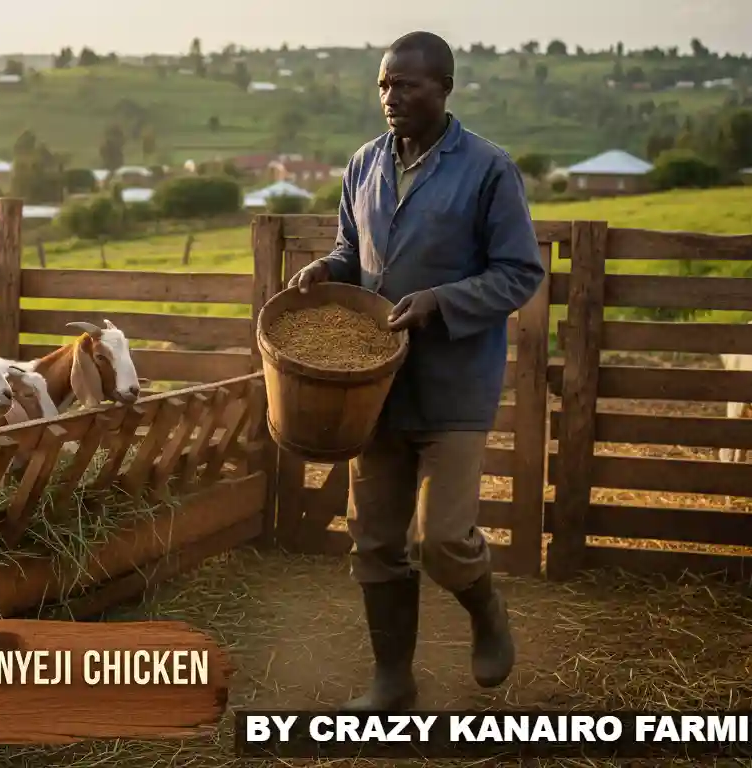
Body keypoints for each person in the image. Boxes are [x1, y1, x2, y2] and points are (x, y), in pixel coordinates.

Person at [288, 31, 546, 710]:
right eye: (382, 84)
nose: (390, 97)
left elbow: (520, 272)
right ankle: (392, 680)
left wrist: (443, 302)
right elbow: (354, 249)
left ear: (444, 89)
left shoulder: (488, 169)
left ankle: (486, 610)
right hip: (373, 386)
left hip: (455, 383)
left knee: (442, 539)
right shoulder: (364, 164)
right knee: (373, 537)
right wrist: (327, 268)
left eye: (406, 84)